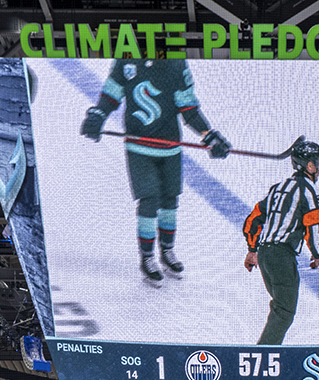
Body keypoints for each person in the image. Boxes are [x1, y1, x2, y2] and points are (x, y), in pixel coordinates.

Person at [79, 59, 232, 283]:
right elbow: (111, 93)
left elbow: (188, 107)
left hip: (169, 147)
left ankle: (167, 250)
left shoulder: (176, 64)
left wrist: (208, 135)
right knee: (149, 198)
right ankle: (147, 257)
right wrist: (97, 115)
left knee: (170, 200)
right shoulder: (127, 58)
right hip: (139, 146)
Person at [241, 138, 319, 346]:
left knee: (281, 306)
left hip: (265, 255)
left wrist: (252, 249)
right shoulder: (309, 191)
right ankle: (263, 357)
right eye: (316, 162)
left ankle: (266, 353)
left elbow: (252, 220)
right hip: (282, 256)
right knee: (284, 311)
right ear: (307, 165)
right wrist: (317, 252)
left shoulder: (278, 189)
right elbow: (313, 224)